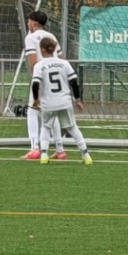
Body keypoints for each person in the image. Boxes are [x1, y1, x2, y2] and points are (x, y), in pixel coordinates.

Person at [31, 36, 91, 165]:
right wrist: (77, 99)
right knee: (72, 127)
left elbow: (35, 84)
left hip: (48, 103)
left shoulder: (39, 66)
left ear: (42, 49)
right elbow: (74, 82)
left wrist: (36, 99)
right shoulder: (64, 63)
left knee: (45, 127)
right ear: (53, 49)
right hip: (64, 102)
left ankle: (44, 155)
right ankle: (86, 155)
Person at [21, 8, 53, 160]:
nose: (28, 23)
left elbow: (33, 61)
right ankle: (60, 148)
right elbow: (60, 58)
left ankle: (34, 148)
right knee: (51, 112)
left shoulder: (31, 38)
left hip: (40, 78)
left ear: (33, 23)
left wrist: (36, 78)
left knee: (33, 111)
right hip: (53, 77)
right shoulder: (51, 36)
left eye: (29, 21)